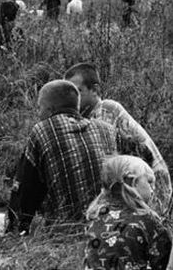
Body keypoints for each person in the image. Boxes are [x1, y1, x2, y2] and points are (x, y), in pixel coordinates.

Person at [7, 80, 117, 234]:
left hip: (67, 228)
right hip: (110, 223)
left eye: (40, 107)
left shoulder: (42, 130)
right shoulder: (107, 129)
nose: (38, 113)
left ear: (49, 109)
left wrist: (15, 227)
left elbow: (26, 188)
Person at [64, 63, 171, 214]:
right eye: (69, 93)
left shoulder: (106, 111)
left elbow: (105, 168)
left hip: (152, 193)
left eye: (78, 92)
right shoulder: (87, 117)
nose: (73, 99)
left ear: (95, 90)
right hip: (138, 187)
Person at [84, 155, 172, 270]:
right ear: (132, 182)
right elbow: (163, 263)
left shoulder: (96, 215)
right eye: (149, 182)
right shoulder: (147, 220)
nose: (153, 188)